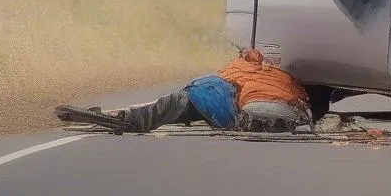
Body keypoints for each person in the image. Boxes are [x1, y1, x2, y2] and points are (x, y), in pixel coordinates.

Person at [55, 50, 312, 134]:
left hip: (215, 97)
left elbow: (231, 79)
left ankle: (123, 118)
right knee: (185, 105)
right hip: (269, 109)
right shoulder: (294, 83)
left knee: (173, 104)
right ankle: (259, 122)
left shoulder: (242, 66)